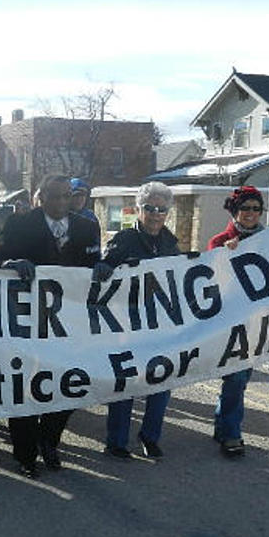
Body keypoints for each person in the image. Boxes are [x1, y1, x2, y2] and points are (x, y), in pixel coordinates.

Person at [0, 174, 101, 478]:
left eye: (67, 196)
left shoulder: (86, 226)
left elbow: (92, 265)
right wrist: (11, 264)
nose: (61, 202)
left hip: (68, 323)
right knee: (25, 386)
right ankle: (25, 454)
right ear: (40, 197)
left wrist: (101, 268)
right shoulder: (20, 224)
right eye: (54, 196)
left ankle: (49, 440)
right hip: (27, 320)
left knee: (68, 384)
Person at [95, 181, 180, 460]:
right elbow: (105, 269)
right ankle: (116, 440)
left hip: (160, 322)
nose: (156, 214)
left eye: (162, 209)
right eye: (150, 208)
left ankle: (150, 436)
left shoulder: (170, 241)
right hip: (127, 323)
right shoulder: (124, 239)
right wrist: (105, 266)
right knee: (126, 382)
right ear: (139, 209)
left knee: (161, 380)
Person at [207, 186, 267, 458]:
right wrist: (224, 256)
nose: (251, 213)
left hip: (258, 321)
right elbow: (210, 279)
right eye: (245, 208)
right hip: (229, 322)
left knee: (241, 380)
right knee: (236, 378)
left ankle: (222, 424)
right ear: (234, 211)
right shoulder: (219, 241)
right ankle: (231, 433)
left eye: (256, 208)